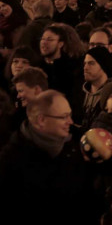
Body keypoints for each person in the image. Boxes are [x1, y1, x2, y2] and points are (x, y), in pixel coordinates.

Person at [0, 90, 95, 223]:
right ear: (41, 120)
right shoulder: (11, 160)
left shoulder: (72, 147)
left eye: (70, 115)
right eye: (64, 116)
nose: (71, 121)